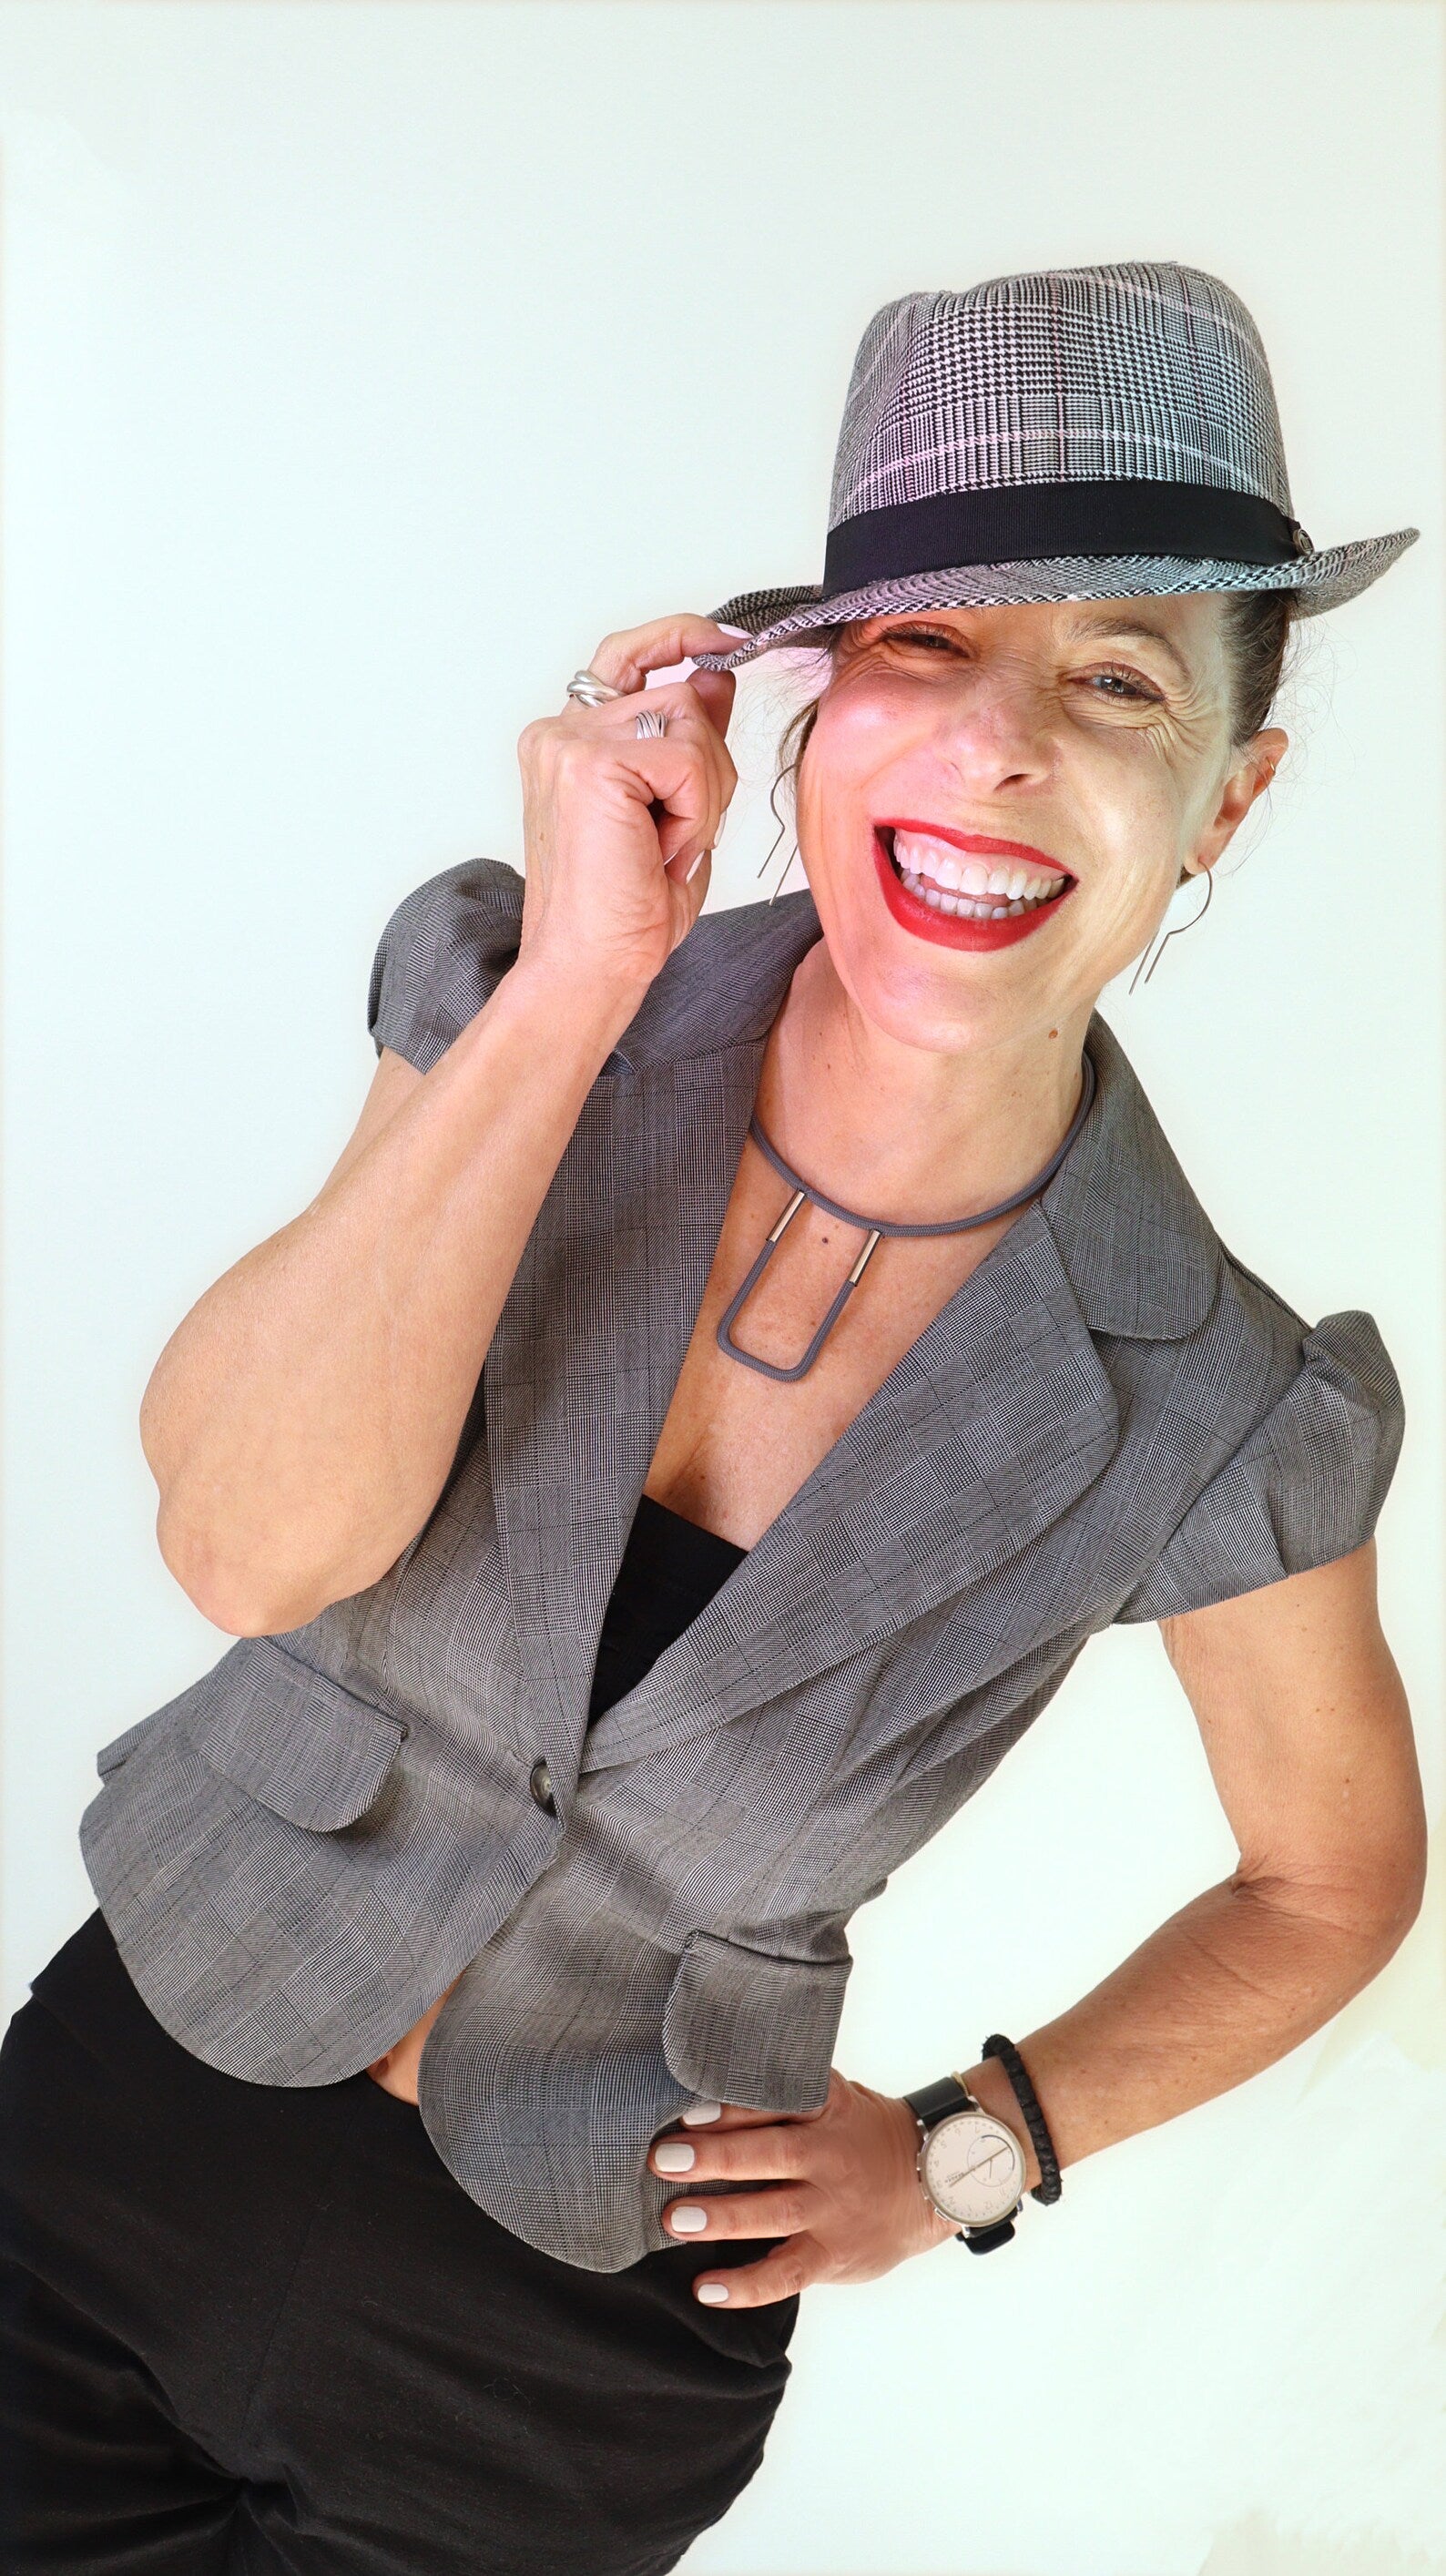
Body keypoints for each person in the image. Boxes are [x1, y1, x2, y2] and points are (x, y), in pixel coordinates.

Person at [0, 260, 1427, 2574]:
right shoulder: (514, 1001)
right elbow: (246, 1543)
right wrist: (580, 985)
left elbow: (1328, 1875)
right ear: (806, 703)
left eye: (1116, 678)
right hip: (120, 2124)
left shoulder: (1217, 1396)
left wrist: (970, 2146)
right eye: (923, 642)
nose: (995, 748)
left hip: (564, 2364)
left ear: (1224, 798)